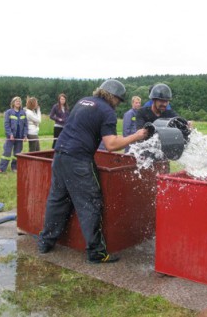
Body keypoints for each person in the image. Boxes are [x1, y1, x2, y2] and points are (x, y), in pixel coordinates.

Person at [38, 79, 148, 263]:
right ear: (113, 97)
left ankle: (45, 242)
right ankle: (97, 253)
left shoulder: (83, 101)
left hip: (60, 155)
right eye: (119, 101)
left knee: (58, 200)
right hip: (79, 160)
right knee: (90, 203)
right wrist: (136, 136)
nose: (118, 104)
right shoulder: (107, 111)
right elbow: (111, 145)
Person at [0, 96, 28, 173]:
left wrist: (25, 135)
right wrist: (10, 134)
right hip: (10, 137)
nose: (18, 103)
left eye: (19, 101)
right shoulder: (8, 112)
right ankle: (1, 168)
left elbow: (25, 125)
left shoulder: (23, 112)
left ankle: (15, 167)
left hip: (19, 137)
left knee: (17, 153)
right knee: (7, 152)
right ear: (13, 103)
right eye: (16, 101)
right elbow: (6, 124)